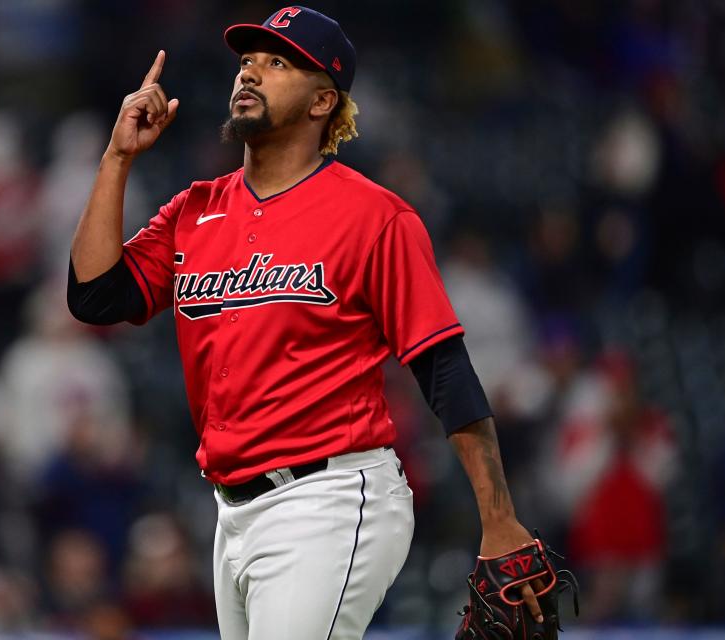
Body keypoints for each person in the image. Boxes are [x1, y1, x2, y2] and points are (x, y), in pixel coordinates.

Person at [68, 7, 544, 638]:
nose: (250, 73)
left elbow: (444, 368)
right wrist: (117, 157)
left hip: (332, 497)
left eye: (276, 62)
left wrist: (499, 517)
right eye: (246, 60)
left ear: (324, 100)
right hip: (232, 511)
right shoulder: (196, 211)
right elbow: (96, 296)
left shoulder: (374, 216)